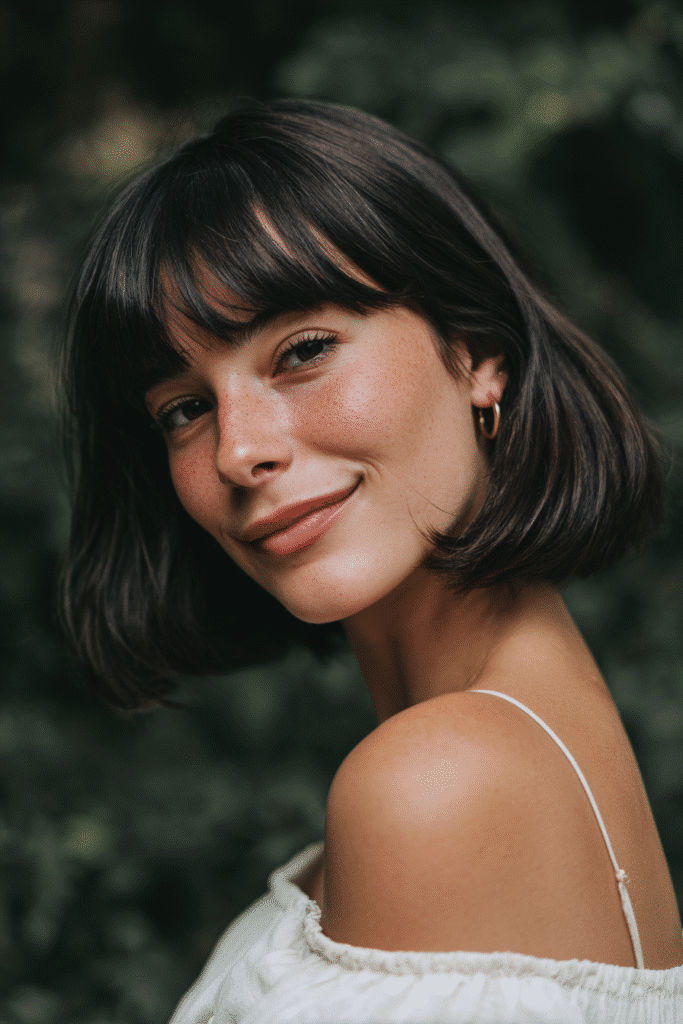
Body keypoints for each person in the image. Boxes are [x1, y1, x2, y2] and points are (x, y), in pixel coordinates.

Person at [60, 98, 683, 1022]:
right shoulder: (514, 744)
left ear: (476, 352)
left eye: (302, 351)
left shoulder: (439, 780)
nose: (238, 451)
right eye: (183, 409)